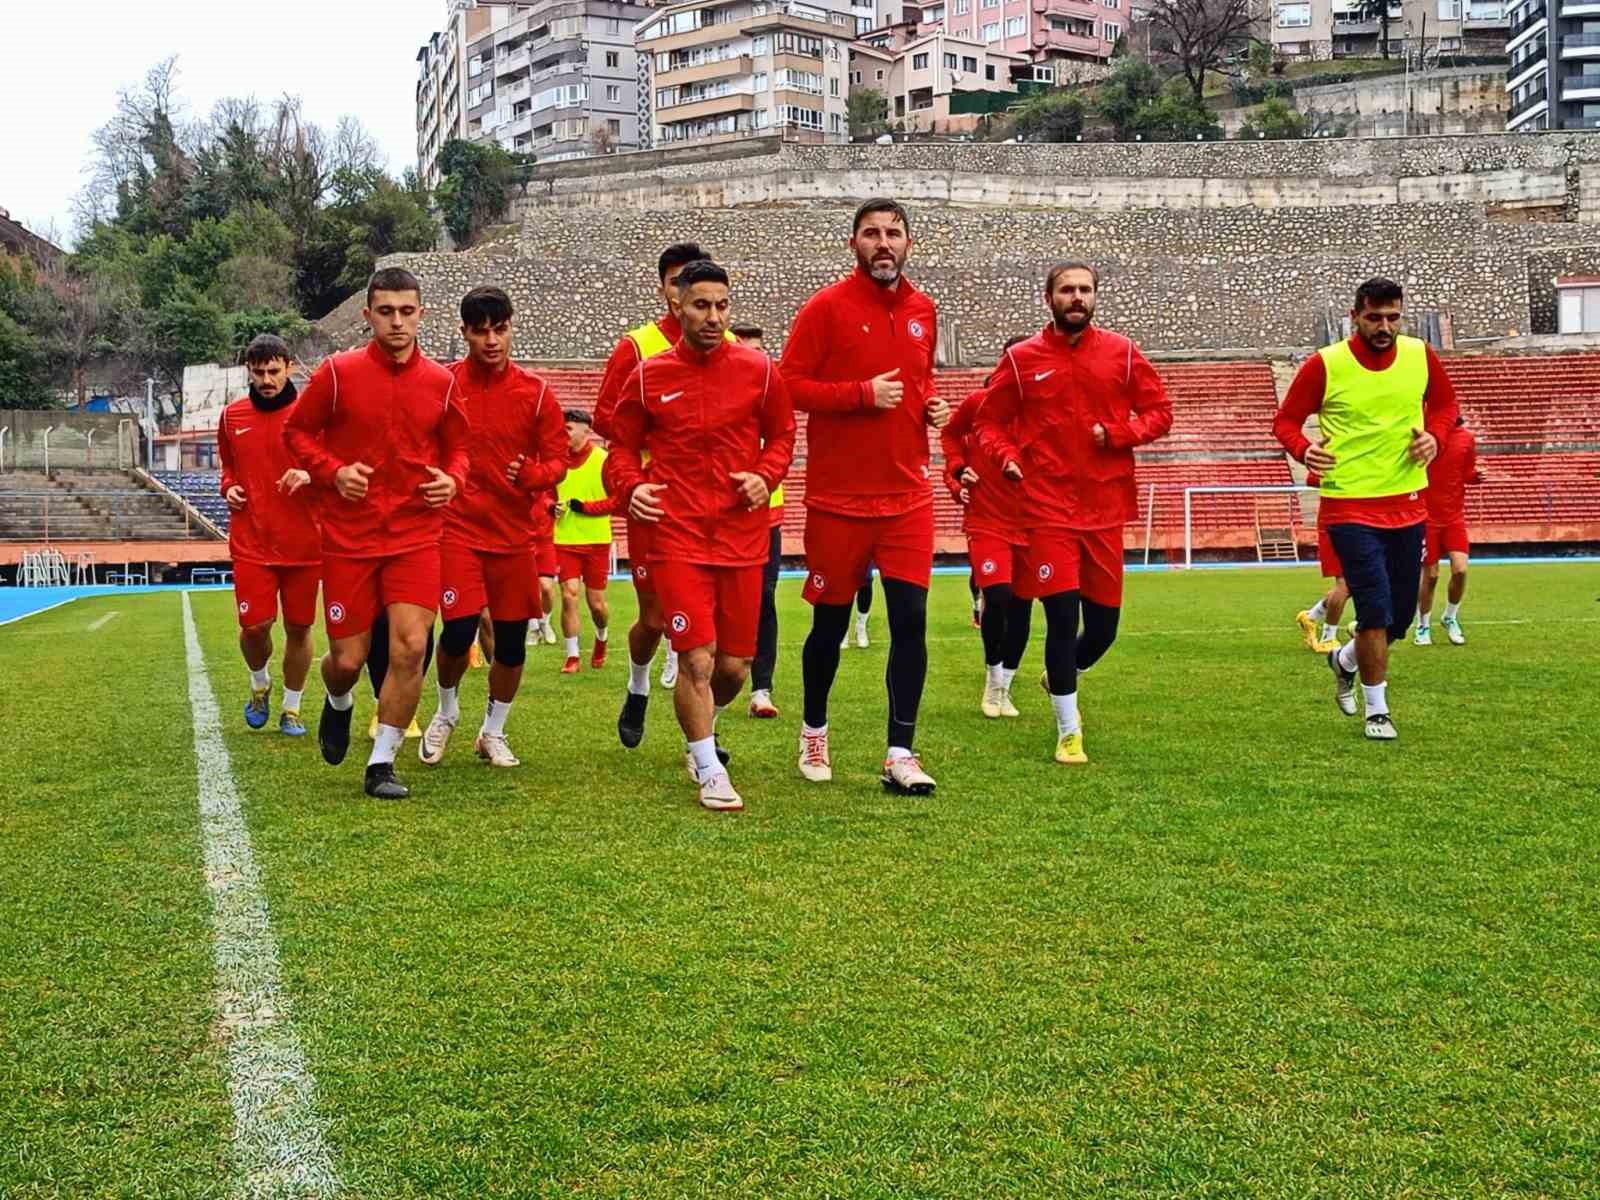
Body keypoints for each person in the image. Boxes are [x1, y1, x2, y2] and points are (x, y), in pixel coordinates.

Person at [603, 260, 795, 811]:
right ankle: (709, 766)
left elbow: (782, 434)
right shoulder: (649, 375)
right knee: (697, 660)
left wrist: (765, 474)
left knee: (734, 667)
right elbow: (619, 447)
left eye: (722, 305)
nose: (713, 316)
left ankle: (701, 729)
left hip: (742, 538)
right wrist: (631, 487)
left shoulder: (758, 370)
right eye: (701, 305)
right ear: (677, 306)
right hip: (677, 536)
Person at [780, 199, 952, 795]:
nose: (884, 243)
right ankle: (814, 731)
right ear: (853, 243)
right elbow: (789, 386)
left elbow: (918, 379)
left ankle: (900, 751)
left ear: (909, 244)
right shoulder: (825, 308)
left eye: (894, 233)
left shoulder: (924, 309)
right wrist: (858, 395)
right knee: (827, 624)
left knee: (911, 623)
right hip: (838, 500)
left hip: (908, 497)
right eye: (872, 234)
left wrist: (929, 405)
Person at [975, 261, 1172, 764]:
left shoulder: (1123, 354)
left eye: (1085, 289)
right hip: (1046, 510)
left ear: (1095, 297)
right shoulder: (1021, 360)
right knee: (1061, 619)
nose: (1077, 297)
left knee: (1102, 630)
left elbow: (1160, 413)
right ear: (1050, 298)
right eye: (1067, 290)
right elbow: (989, 423)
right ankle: (1068, 729)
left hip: (1106, 509)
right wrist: (1008, 457)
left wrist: (1121, 434)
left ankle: (1058, 676)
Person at [284, 267, 468, 798]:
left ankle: (382, 761)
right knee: (347, 660)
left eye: (406, 311)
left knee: (411, 648)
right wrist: (332, 471)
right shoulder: (337, 374)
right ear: (367, 316)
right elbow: (297, 432)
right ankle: (338, 701)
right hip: (349, 538)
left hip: (415, 535)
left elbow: (460, 448)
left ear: (422, 315)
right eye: (385, 312)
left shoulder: (441, 381)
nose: (396, 322)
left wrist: (452, 480)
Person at [1273, 277, 1458, 740]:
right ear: (1355, 315)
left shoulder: (1420, 356)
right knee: (1374, 607)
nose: (1384, 327)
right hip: (1348, 504)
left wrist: (1435, 434)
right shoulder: (1326, 364)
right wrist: (1302, 447)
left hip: (1408, 501)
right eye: (1374, 318)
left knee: (1397, 616)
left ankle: (1346, 660)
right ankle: (1378, 711)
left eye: (1393, 317)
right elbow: (1285, 421)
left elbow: (1444, 405)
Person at [419, 286, 567, 768]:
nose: (491, 341)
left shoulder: (537, 391)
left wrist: (534, 477)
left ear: (510, 328)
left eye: (499, 330)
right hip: (456, 528)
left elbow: (558, 462)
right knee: (457, 631)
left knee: (509, 643)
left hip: (512, 536)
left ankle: (493, 730)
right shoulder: (443, 383)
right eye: (480, 332)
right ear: (463, 333)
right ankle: (446, 713)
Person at [594, 242, 716, 749]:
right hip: (655, 502)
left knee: (714, 637)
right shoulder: (637, 347)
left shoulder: (725, 342)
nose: (684, 289)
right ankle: (638, 685)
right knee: (654, 618)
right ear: (667, 289)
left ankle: (705, 739)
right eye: (675, 280)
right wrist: (655, 446)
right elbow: (604, 417)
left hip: (712, 506)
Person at [217, 334, 320, 736]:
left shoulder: (311, 414)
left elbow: (331, 466)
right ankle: (260, 682)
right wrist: (229, 488)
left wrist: (312, 474)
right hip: (252, 541)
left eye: (274, 371)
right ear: (249, 372)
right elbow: (227, 467)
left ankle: (291, 709)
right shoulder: (231, 417)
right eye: (258, 372)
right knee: (255, 627)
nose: (266, 380)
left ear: (290, 367)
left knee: (299, 628)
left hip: (305, 543)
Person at [941, 343, 1034, 720]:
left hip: (1034, 523)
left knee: (1023, 607)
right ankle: (992, 679)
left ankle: (1006, 686)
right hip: (987, 520)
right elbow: (949, 436)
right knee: (997, 595)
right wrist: (958, 470)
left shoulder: (1049, 408)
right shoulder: (978, 403)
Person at [731, 321, 787, 719]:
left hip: (768, 516)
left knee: (765, 599)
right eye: (746, 349)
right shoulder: (719, 392)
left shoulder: (775, 390)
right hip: (721, 515)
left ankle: (762, 688)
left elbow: (785, 440)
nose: (755, 357)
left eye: (760, 350)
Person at [553, 408, 621, 673]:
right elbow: (544, 492)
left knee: (597, 604)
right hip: (564, 538)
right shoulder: (556, 460)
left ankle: (601, 637)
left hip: (596, 541)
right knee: (569, 595)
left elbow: (617, 500)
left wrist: (587, 508)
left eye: (568, 429)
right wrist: (551, 506)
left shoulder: (604, 460)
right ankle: (572, 655)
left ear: (586, 430)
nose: (563, 434)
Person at [1416, 416, 1485, 646]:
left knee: (1460, 570)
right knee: (1431, 576)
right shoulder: (1424, 435)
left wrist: (1475, 477)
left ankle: (1450, 617)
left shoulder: (1466, 438)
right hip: (1427, 517)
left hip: (1453, 517)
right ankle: (1423, 625)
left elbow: (1466, 472)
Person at [1294, 471, 1349, 654]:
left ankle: (1310, 617)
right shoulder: (1335, 453)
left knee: (1358, 584)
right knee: (1345, 584)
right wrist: (1344, 480)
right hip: (1336, 525)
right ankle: (1328, 638)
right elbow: (1312, 478)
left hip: (1361, 524)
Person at [528, 487, 561, 646]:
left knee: (546, 588)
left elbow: (555, 499)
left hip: (546, 542)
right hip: (525, 542)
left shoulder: (549, 479)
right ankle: (533, 628)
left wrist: (554, 506)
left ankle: (544, 621)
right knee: (528, 589)